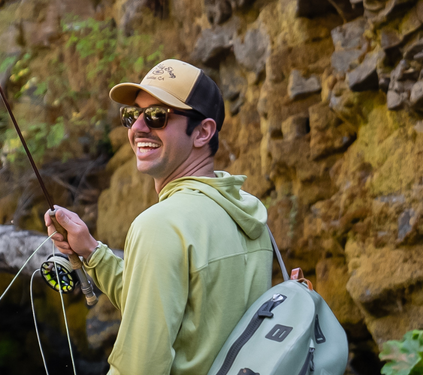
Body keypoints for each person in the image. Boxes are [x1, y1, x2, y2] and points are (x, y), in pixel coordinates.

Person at [45, 59, 276, 375]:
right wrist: (91, 252)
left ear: (202, 132)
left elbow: (140, 366)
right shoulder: (247, 211)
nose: (138, 127)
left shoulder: (160, 226)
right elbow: (163, 309)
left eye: (157, 116)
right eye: (132, 115)